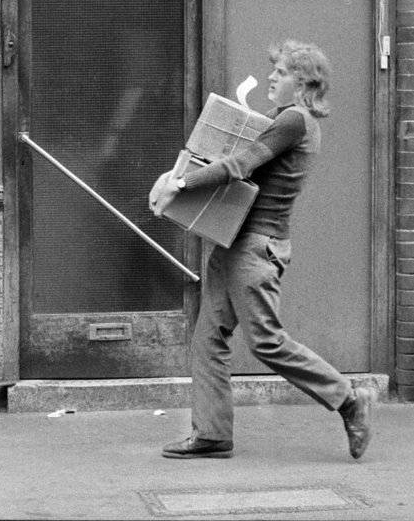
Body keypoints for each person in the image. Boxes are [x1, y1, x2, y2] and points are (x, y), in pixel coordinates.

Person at [148, 40, 375, 460]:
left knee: (266, 341)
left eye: (282, 72)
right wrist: (178, 170)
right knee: (208, 339)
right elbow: (229, 149)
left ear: (304, 82)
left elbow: (240, 165)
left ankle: (348, 398)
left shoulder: (295, 121)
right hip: (236, 245)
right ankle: (212, 434)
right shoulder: (283, 120)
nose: (271, 76)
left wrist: (179, 186)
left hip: (255, 249)